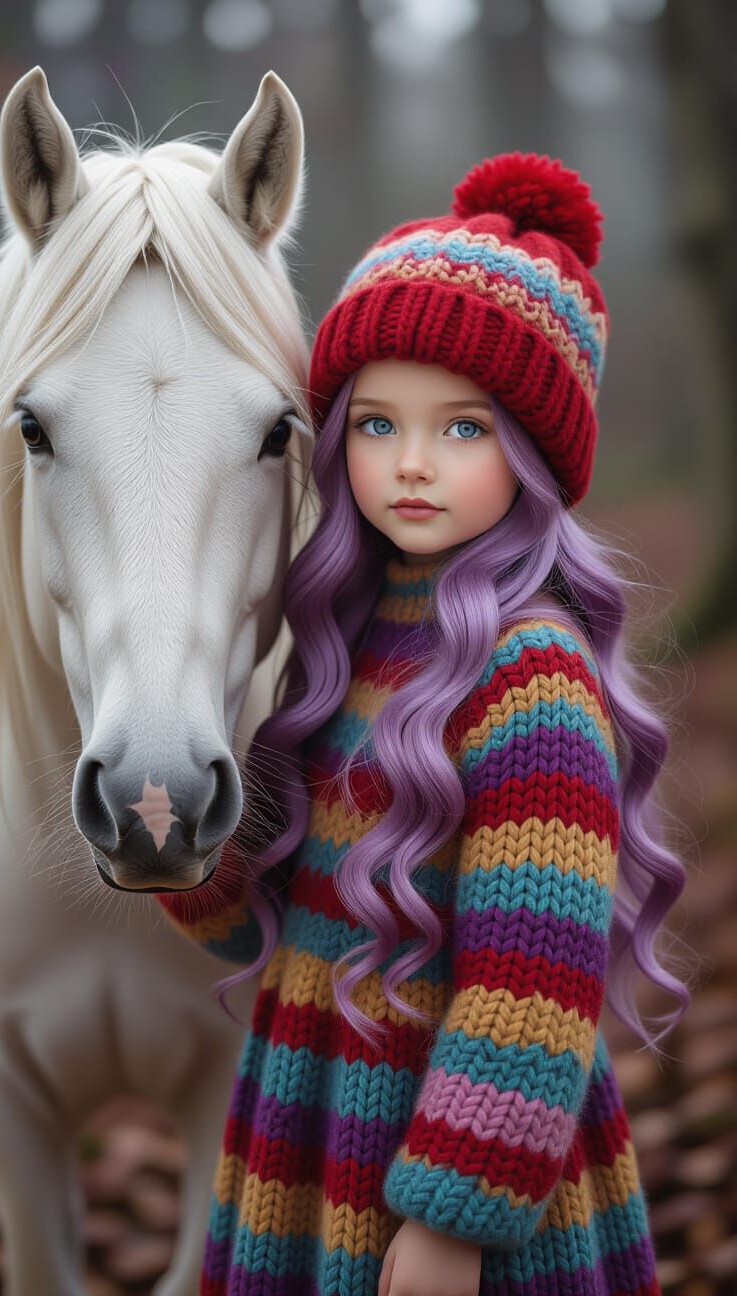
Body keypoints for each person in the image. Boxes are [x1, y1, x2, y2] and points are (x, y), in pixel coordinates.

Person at [157, 151, 690, 1296]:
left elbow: (531, 987)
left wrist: (455, 1218)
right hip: (306, 1135)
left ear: (536, 454)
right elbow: (250, 932)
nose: (409, 464)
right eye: (376, 423)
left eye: (463, 431)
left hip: (463, 1171)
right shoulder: (335, 652)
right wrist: (180, 844)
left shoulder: (531, 680)